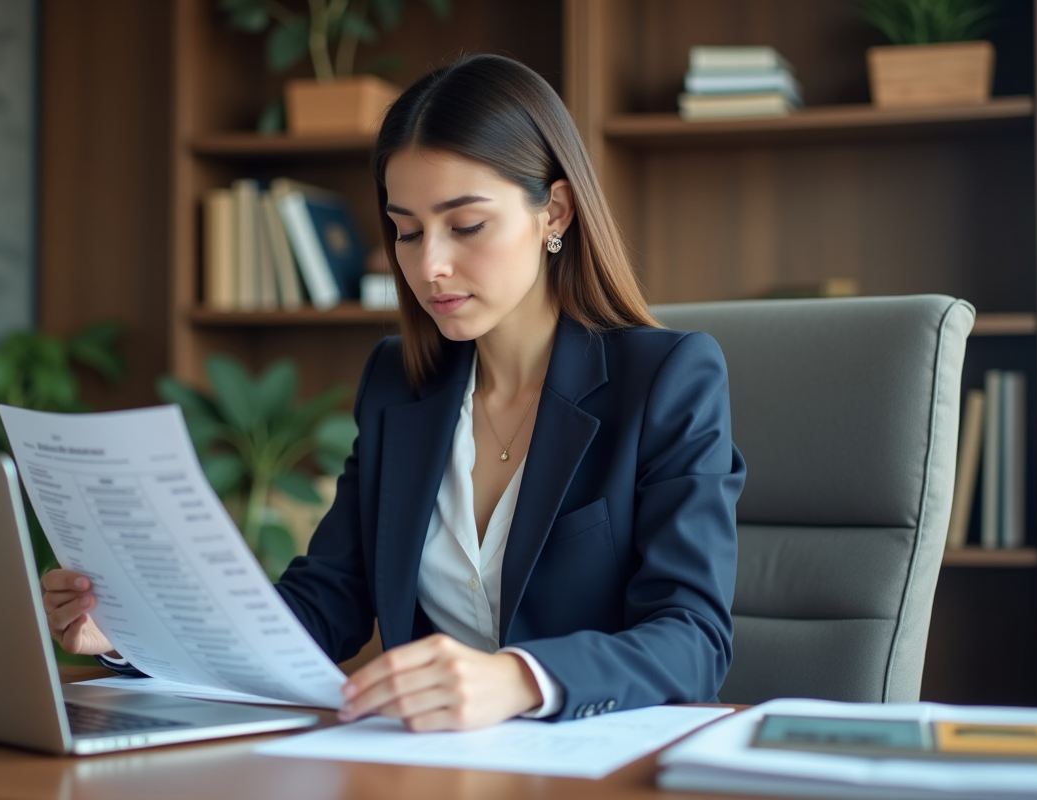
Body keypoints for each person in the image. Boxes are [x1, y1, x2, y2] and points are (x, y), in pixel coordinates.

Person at [41, 54, 745, 732]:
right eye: (406, 232)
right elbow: (327, 604)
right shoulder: (399, 384)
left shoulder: (667, 379)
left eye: (466, 226)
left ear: (554, 212)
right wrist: (136, 632)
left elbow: (692, 638)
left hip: (598, 767)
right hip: (427, 768)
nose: (430, 265)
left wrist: (518, 679)